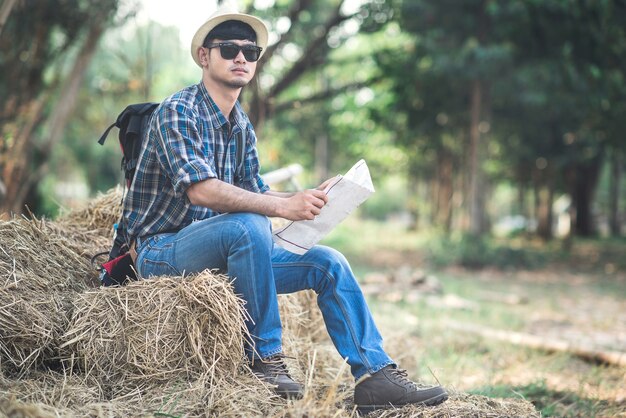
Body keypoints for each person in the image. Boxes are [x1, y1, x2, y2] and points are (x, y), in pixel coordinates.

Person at [122, 8, 448, 413]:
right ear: (204, 57)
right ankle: (264, 358)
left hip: (224, 252)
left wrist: (309, 197)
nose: (241, 57)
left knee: (329, 263)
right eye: (228, 49)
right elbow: (202, 191)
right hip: (161, 252)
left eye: (250, 51)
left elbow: (257, 191)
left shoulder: (240, 125)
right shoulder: (177, 111)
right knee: (248, 224)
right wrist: (281, 206)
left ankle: (375, 376)